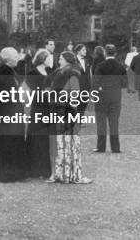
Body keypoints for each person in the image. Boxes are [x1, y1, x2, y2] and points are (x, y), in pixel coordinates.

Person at [49, 51, 92, 184]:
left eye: (61, 59)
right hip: (66, 112)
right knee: (71, 143)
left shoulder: (63, 74)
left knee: (62, 143)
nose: (59, 61)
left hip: (61, 112)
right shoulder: (70, 74)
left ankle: (62, 174)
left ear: (68, 60)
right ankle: (73, 175)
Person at [0, 47, 27, 182]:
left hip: (8, 113)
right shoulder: (4, 72)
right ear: (8, 59)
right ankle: (7, 173)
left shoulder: (8, 71)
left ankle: (10, 172)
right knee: (7, 143)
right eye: (16, 56)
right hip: (7, 114)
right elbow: (8, 94)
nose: (18, 58)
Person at [23, 48, 53, 178]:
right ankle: (34, 168)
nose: (50, 60)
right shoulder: (32, 73)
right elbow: (32, 91)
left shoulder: (48, 72)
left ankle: (44, 168)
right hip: (38, 107)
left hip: (47, 107)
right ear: (42, 59)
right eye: (48, 58)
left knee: (45, 138)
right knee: (36, 137)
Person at [92, 44, 127, 153]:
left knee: (101, 122)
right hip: (116, 96)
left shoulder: (100, 66)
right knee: (114, 122)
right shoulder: (121, 67)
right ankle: (115, 147)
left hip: (102, 96)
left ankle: (101, 147)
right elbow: (125, 84)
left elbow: (95, 83)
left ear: (105, 53)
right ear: (115, 53)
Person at [74, 44, 91, 114]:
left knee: (84, 103)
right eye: (83, 50)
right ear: (78, 51)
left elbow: (88, 74)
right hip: (77, 86)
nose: (85, 51)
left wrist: (89, 85)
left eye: (85, 50)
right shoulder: (73, 61)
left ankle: (80, 118)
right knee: (77, 104)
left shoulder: (87, 61)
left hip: (86, 87)